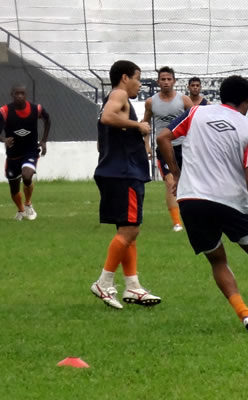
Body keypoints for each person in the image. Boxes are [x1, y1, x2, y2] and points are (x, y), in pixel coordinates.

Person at [157, 75, 248, 332]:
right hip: (229, 201)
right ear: (247, 101)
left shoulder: (195, 114)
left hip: (191, 200)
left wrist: (176, 174)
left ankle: (246, 315)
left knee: (217, 260)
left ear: (222, 95)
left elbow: (162, 138)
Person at [90, 60, 161, 309]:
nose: (139, 84)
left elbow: (103, 139)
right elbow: (109, 117)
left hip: (115, 171)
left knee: (127, 230)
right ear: (124, 78)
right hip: (124, 174)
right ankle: (104, 282)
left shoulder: (116, 99)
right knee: (130, 230)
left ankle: (133, 287)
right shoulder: (119, 94)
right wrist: (138, 126)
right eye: (137, 78)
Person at [142, 66, 193, 232]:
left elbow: (196, 121)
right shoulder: (151, 102)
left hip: (184, 148)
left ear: (174, 81)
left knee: (190, 183)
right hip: (164, 149)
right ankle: (177, 223)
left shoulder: (184, 100)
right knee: (170, 182)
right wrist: (147, 145)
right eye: (162, 79)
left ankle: (194, 217)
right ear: (158, 82)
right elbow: (146, 124)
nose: (166, 82)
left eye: (168, 79)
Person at [0, 84, 51, 221]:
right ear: (12, 95)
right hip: (13, 154)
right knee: (14, 188)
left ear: (26, 95)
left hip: (30, 151)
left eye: (22, 93)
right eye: (16, 93)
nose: (19, 96)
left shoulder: (36, 109)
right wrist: (4, 139)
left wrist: (43, 141)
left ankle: (28, 204)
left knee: (27, 175)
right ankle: (20, 210)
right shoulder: (5, 111)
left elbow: (47, 120)